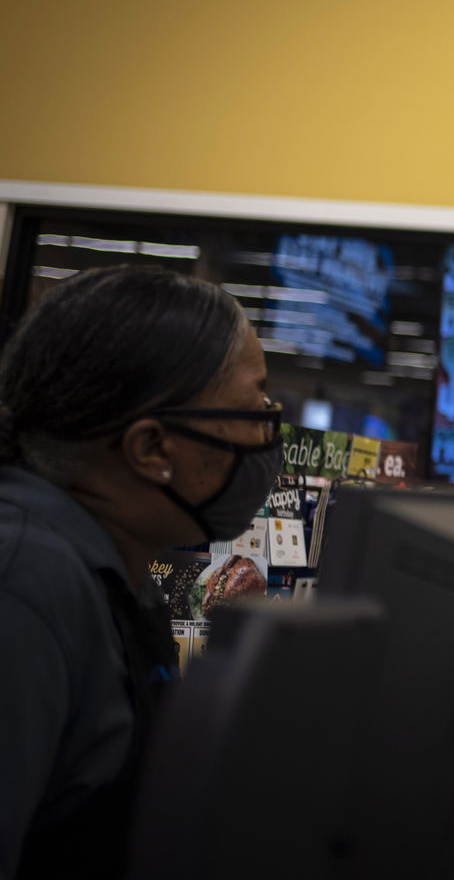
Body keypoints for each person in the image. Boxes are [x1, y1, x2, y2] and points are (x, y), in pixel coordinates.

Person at [0, 265, 282, 879]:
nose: (270, 424)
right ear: (153, 449)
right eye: (254, 403)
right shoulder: (23, 586)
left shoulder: (119, 572)